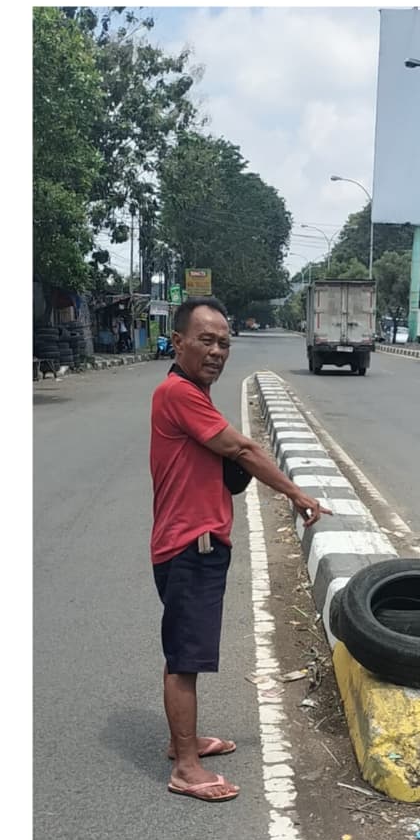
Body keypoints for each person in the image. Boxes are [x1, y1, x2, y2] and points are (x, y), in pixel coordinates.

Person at [151, 295, 331, 802]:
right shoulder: (178, 394)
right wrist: (296, 493)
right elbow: (245, 450)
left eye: (223, 343)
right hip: (191, 545)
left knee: (185, 651)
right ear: (178, 340)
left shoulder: (192, 395)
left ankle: (181, 742)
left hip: (190, 542)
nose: (216, 351)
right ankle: (185, 768)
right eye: (204, 340)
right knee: (185, 658)